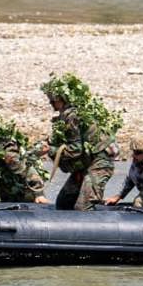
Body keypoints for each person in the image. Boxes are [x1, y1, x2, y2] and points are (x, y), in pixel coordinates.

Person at [40, 75, 118, 211]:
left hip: (100, 162)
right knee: (63, 203)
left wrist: (50, 150)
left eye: (53, 101)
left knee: (83, 207)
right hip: (85, 162)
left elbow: (75, 150)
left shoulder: (72, 116)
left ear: (62, 100)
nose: (51, 104)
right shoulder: (67, 115)